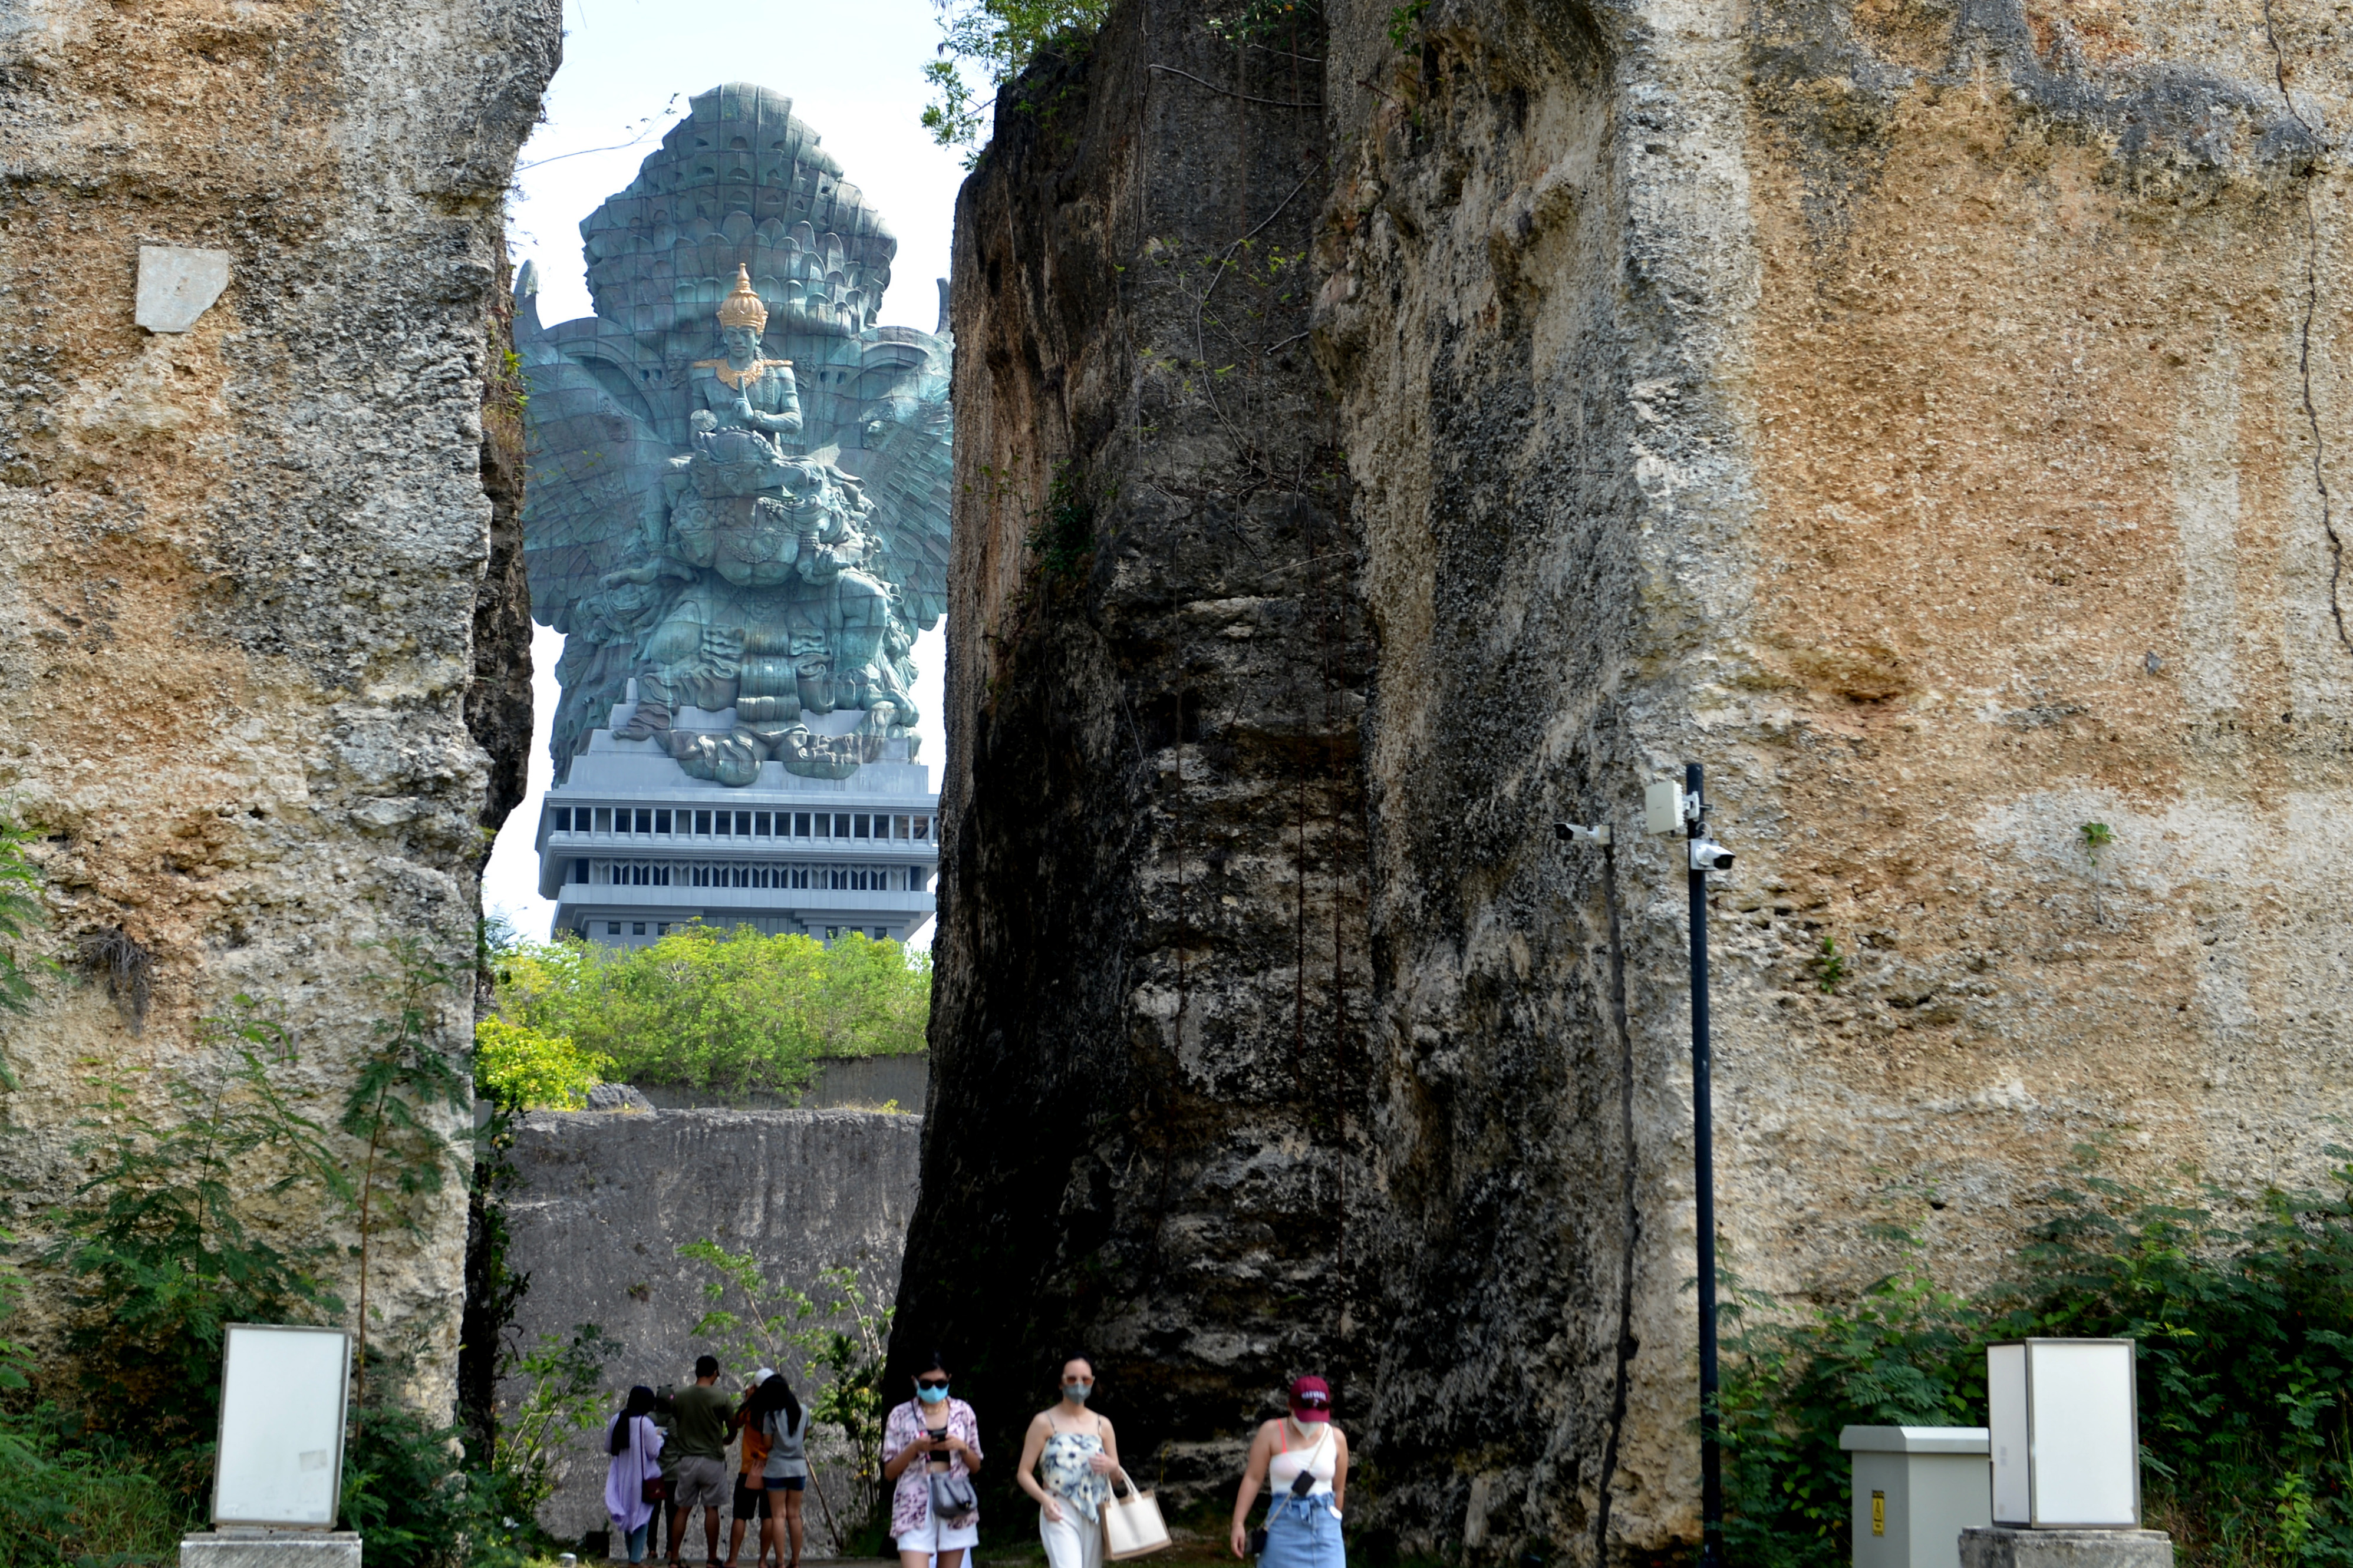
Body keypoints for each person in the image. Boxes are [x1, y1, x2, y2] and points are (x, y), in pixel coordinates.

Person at [1229, 1376, 1348, 1568]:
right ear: (1290, 1406)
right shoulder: (1271, 1432)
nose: (1311, 1422)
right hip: (1284, 1524)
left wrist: (1334, 1523)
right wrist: (1238, 1524)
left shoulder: (1337, 1438)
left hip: (1326, 1528)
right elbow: (1253, 1478)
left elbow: (1339, 1489)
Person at [1015, 1357, 1122, 1568]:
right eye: (1072, 1379)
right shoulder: (1044, 1422)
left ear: (1093, 1382)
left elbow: (1116, 1479)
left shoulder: (1103, 1425)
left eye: (1085, 1379)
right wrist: (1045, 1501)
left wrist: (1112, 1467)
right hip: (1059, 1507)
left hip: (1096, 1510)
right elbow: (1023, 1472)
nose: (1079, 1385)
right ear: (1060, 1383)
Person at [882, 1352, 983, 1568]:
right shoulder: (900, 1416)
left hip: (955, 1495)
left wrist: (960, 1446)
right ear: (915, 1381)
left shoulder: (963, 1412)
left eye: (940, 1383)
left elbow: (976, 1466)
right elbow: (889, 1472)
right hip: (913, 1499)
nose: (934, 1389)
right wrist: (915, 1448)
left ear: (949, 1379)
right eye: (926, 1384)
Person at [668, 1354, 737, 1567]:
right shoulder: (721, 1398)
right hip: (712, 1460)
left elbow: (675, 1424)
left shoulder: (679, 1397)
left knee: (682, 1509)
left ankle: (674, 1557)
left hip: (687, 1460)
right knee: (711, 1509)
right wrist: (726, 1439)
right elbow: (733, 1427)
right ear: (714, 1372)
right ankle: (711, 1558)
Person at [753, 1371, 812, 1568]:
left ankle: (780, 1561)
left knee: (778, 1515)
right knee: (795, 1515)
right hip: (798, 1469)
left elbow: (768, 1444)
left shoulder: (771, 1415)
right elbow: (803, 1438)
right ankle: (795, 1561)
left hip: (777, 1469)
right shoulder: (803, 1410)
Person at [605, 1387, 666, 1564]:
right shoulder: (644, 1423)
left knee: (628, 1516)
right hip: (642, 1477)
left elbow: (609, 1448)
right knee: (641, 1517)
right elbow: (653, 1452)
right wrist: (660, 1440)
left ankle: (632, 1556)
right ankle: (635, 1559)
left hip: (621, 1475)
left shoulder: (616, 1419)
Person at [725, 1369, 777, 1568]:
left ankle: (733, 1560)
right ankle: (763, 1561)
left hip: (749, 1469)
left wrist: (747, 1400)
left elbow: (735, 1423)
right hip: (772, 1470)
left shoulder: (749, 1410)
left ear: (755, 1387)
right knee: (769, 1516)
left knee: (740, 1515)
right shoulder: (776, 1410)